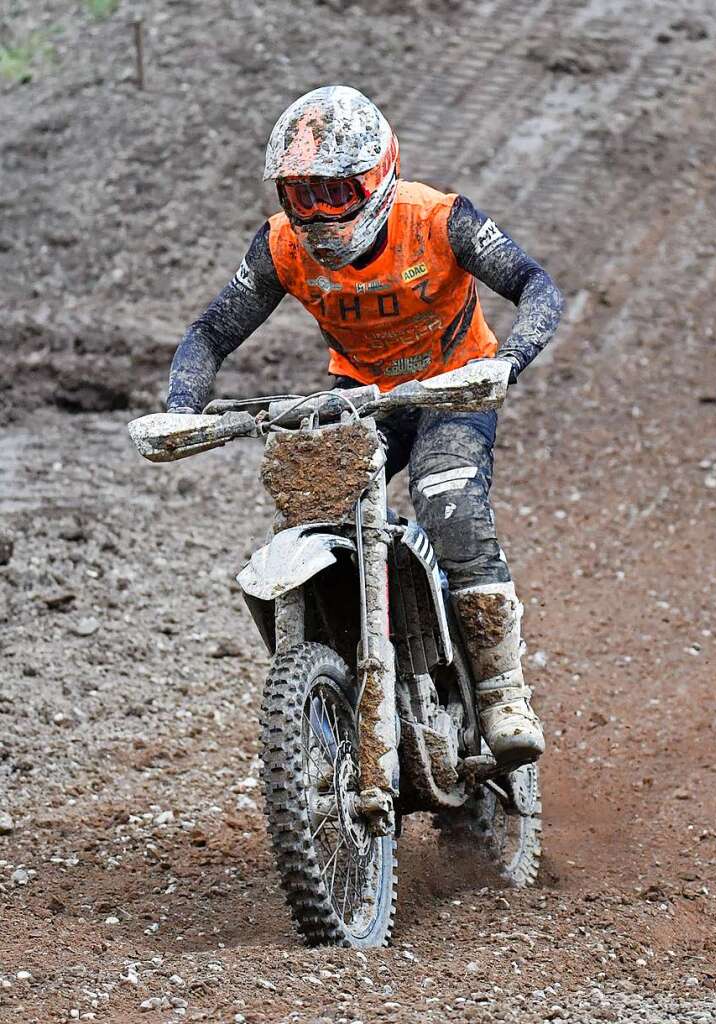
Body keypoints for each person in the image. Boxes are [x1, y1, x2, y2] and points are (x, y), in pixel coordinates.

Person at [166, 85, 564, 767]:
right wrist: (179, 407)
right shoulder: (279, 247)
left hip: (452, 385)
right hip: (360, 399)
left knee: (449, 502)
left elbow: (536, 286)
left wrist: (507, 360)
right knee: (310, 516)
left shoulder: (438, 219)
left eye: (333, 192)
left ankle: (501, 692)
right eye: (299, 195)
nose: (315, 213)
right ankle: (329, 684)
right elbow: (209, 333)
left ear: (377, 177)